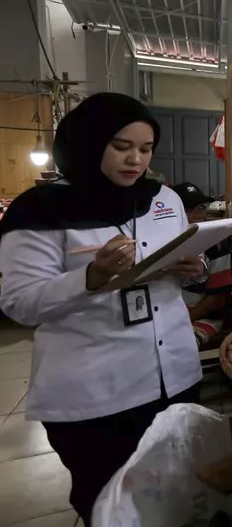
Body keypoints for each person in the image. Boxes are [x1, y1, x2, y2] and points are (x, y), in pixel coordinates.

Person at [0, 93, 204, 526]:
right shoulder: (40, 209)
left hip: (174, 376)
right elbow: (19, 303)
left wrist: (194, 269)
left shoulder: (163, 199)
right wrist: (90, 276)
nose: (135, 160)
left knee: (175, 491)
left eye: (146, 149)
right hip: (97, 394)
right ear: (88, 142)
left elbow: (183, 257)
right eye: (121, 146)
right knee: (109, 502)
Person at [173, 182, 232, 347]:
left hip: (204, 318)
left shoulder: (216, 243)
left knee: (179, 344)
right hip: (169, 315)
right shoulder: (164, 242)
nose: (197, 215)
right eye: (187, 210)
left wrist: (182, 320)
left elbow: (215, 300)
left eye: (201, 207)